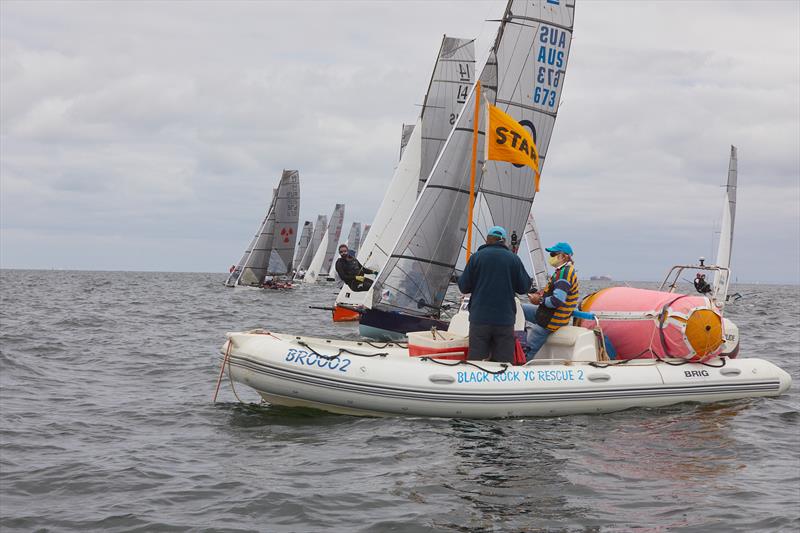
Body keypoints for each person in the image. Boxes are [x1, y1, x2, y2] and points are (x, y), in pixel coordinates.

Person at [457, 226, 531, 363]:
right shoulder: (513, 259)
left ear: (487, 240)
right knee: (503, 364)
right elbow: (524, 288)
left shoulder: (476, 258)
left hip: (479, 319)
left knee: (476, 363)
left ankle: (474, 384)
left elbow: (463, 287)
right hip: (504, 320)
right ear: (504, 242)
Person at [522, 242, 580, 360]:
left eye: (553, 254)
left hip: (550, 320)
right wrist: (540, 294)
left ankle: (520, 364)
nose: (551, 257)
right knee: (517, 309)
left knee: (526, 351)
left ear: (563, 256)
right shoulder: (562, 271)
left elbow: (556, 301)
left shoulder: (565, 273)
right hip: (547, 314)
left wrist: (539, 300)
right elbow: (555, 291)